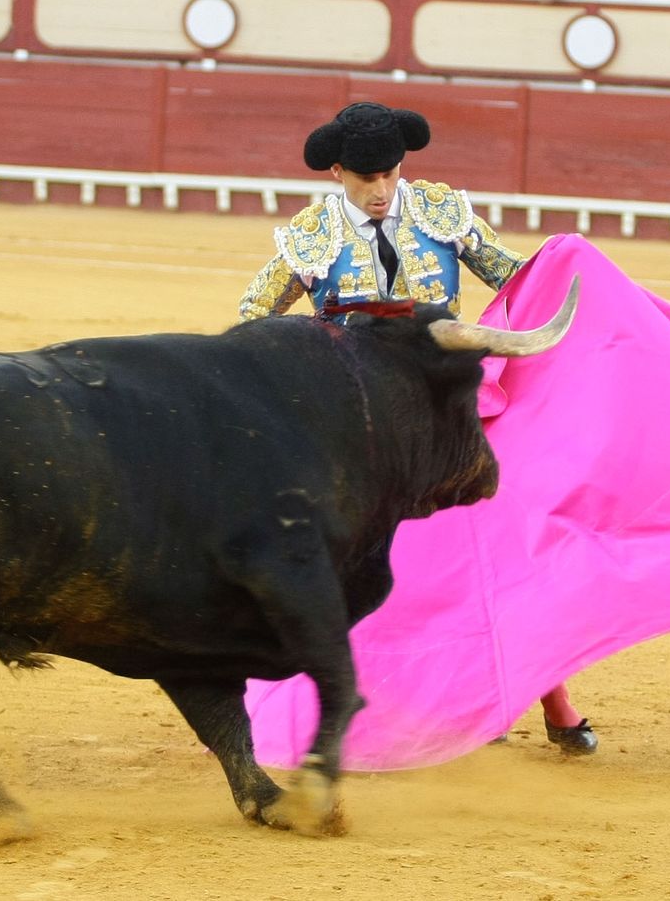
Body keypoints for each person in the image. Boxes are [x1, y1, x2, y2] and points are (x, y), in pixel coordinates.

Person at [237, 103, 603, 757]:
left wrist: (578, 273)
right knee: (358, 573)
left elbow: (518, 277)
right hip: (357, 433)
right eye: (365, 179)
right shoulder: (312, 234)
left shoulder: (437, 211)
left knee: (500, 556)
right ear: (338, 172)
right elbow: (253, 316)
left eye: (391, 174)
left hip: (445, 420)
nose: (381, 191)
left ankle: (557, 701)